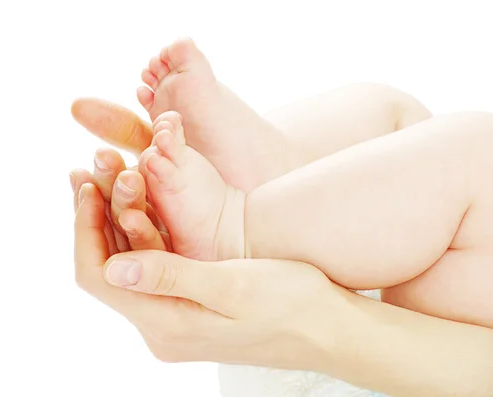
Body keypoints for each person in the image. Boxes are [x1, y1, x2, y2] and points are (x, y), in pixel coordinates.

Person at [69, 43, 493, 396]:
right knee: (393, 113)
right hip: (331, 325)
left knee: (478, 158)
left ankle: (237, 230)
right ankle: (276, 178)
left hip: (402, 365)